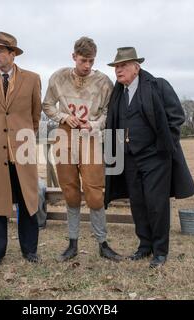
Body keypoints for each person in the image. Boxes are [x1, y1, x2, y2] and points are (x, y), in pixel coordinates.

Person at [104, 47, 194, 268]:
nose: (118, 70)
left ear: (136, 67)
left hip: (156, 158)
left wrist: (164, 146)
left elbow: (176, 117)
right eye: (116, 66)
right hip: (129, 158)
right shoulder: (118, 92)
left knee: (157, 204)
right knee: (138, 204)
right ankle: (144, 246)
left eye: (123, 66)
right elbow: (113, 123)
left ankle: (160, 251)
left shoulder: (158, 85)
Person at [42, 37, 122, 262]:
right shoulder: (59, 77)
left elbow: (108, 112)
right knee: (70, 190)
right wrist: (65, 116)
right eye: (83, 60)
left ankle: (102, 243)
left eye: (91, 60)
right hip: (65, 134)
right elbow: (47, 105)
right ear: (73, 57)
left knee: (95, 192)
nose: (87, 65)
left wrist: (94, 124)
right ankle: (72, 243)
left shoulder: (104, 81)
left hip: (91, 137)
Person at [0, 31, 42, 269]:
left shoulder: (33, 79)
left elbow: (36, 115)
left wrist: (23, 137)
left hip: (23, 149)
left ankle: (30, 250)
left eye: (0, 51)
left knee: (27, 200)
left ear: (12, 54)